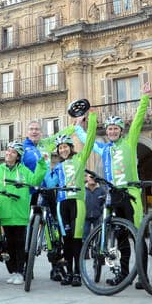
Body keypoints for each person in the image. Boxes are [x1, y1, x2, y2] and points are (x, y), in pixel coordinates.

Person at [73, 82, 151, 287]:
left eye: (116, 128)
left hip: (130, 193)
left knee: (137, 235)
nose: (113, 131)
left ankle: (143, 276)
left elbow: (137, 121)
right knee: (121, 238)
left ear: (121, 130)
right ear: (106, 131)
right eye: (110, 129)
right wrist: (79, 124)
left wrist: (144, 98)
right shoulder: (104, 149)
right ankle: (123, 274)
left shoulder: (129, 142)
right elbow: (84, 138)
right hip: (113, 195)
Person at [0, 141, 47, 285]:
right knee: (7, 245)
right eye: (8, 151)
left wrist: (42, 163)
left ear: (18, 156)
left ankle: (19, 272)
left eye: (13, 152)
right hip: (3, 215)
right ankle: (13, 272)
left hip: (20, 215)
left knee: (19, 243)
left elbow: (36, 180)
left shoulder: (23, 171)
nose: (8, 153)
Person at [22, 119, 74, 281]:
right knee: (28, 229)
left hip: (49, 189)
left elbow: (62, 134)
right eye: (31, 129)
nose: (35, 131)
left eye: (37, 129)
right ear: (27, 132)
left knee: (54, 228)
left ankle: (56, 267)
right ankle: (26, 267)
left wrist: (76, 124)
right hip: (30, 191)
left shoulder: (46, 144)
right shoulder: (23, 148)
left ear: (41, 132)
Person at [52, 110, 97, 287]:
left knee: (77, 239)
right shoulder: (57, 166)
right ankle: (69, 273)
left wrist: (90, 120)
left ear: (71, 147)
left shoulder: (80, 158)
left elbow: (91, 139)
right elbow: (50, 182)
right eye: (60, 148)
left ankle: (78, 273)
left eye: (65, 146)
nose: (63, 150)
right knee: (67, 240)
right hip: (61, 203)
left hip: (77, 201)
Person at [83, 172, 105, 247]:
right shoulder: (83, 189)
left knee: (98, 235)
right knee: (85, 235)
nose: (92, 179)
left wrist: (100, 210)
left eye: (93, 177)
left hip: (97, 216)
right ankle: (85, 253)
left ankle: (96, 253)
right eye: (90, 177)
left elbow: (104, 202)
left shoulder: (101, 190)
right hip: (85, 216)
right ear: (86, 178)